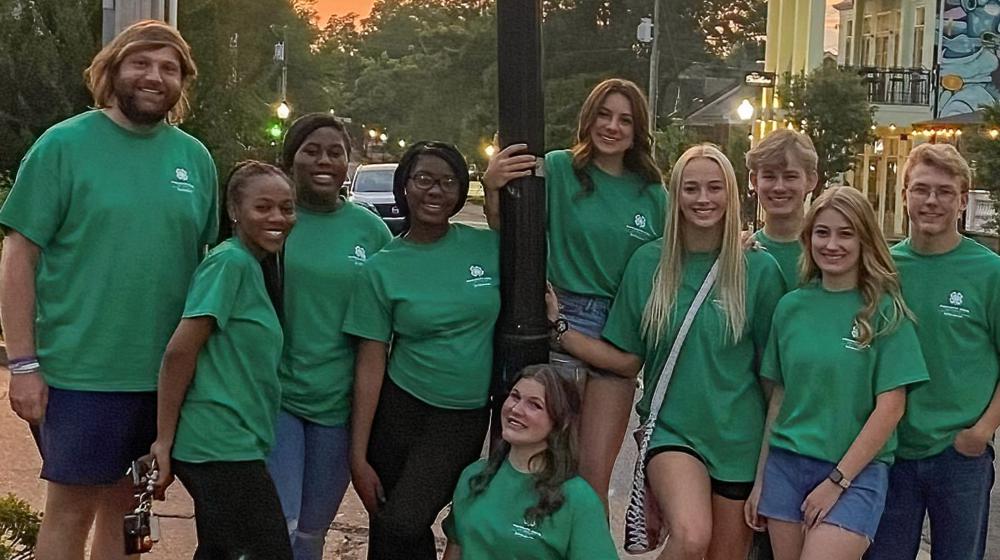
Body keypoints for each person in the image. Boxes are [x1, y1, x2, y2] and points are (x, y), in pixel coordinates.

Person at [0, 20, 216, 560]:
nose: (154, 76)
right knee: (69, 513)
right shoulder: (64, 145)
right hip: (79, 374)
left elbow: (209, 269)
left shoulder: (195, 160)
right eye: (141, 63)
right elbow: (19, 255)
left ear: (182, 82)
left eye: (169, 68)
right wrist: (23, 363)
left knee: (128, 517)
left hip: (163, 379)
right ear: (113, 71)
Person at [553, 144, 784, 558]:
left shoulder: (759, 271)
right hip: (675, 431)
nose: (703, 199)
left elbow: (773, 381)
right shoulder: (648, 263)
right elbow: (626, 358)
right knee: (691, 535)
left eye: (715, 188)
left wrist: (770, 465)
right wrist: (561, 330)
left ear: (731, 195)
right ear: (674, 196)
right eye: (690, 188)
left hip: (740, 441)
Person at [483, 78, 668, 508]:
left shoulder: (653, 193)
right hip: (558, 314)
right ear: (589, 118)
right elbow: (508, 230)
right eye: (604, 115)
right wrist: (493, 185)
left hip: (619, 332)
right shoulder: (561, 169)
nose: (612, 127)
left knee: (589, 484)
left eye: (625, 120)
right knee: (541, 470)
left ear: (638, 130)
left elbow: (674, 260)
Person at [746, 186, 929, 559]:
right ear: (808, 238)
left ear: (864, 241)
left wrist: (837, 481)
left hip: (855, 473)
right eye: (822, 232)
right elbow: (780, 397)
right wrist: (761, 479)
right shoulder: (791, 308)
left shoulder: (884, 311)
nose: (832, 244)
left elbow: (890, 409)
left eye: (846, 233)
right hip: (786, 464)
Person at [343, 141, 499, 560]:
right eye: (424, 179)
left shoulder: (486, 247)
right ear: (405, 187)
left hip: (461, 416)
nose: (435, 191)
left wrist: (497, 185)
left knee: (405, 521)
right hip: (399, 410)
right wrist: (358, 455)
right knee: (389, 529)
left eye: (448, 182)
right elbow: (371, 361)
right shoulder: (381, 266)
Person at [149, 161, 296, 559]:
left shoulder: (253, 267)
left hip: (238, 441)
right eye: (263, 207)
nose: (278, 218)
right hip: (218, 444)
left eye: (286, 208)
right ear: (234, 211)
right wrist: (163, 440)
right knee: (266, 551)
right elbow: (180, 352)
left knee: (222, 550)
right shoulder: (228, 263)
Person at [264, 114, 392, 560]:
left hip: (338, 408)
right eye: (311, 150)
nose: (324, 160)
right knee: (279, 528)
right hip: (275, 399)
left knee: (311, 537)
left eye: (335, 152)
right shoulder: (270, 223)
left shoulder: (371, 231)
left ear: (348, 163)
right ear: (290, 159)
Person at [868, 144, 1000, 560]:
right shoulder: (882, 269)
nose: (931, 201)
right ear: (904, 193)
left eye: (945, 191)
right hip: (890, 453)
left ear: (963, 201)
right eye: (921, 189)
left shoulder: (988, 272)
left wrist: (980, 433)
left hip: (959, 454)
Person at [442, 365, 617, 560]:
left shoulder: (578, 500)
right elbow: (455, 549)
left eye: (534, 405)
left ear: (559, 422)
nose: (516, 409)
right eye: (515, 396)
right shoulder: (473, 476)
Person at [747, 129, 818, 290]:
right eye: (769, 176)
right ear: (754, 181)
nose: (779, 187)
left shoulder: (827, 252)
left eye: (790, 176)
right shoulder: (743, 254)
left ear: (811, 180)